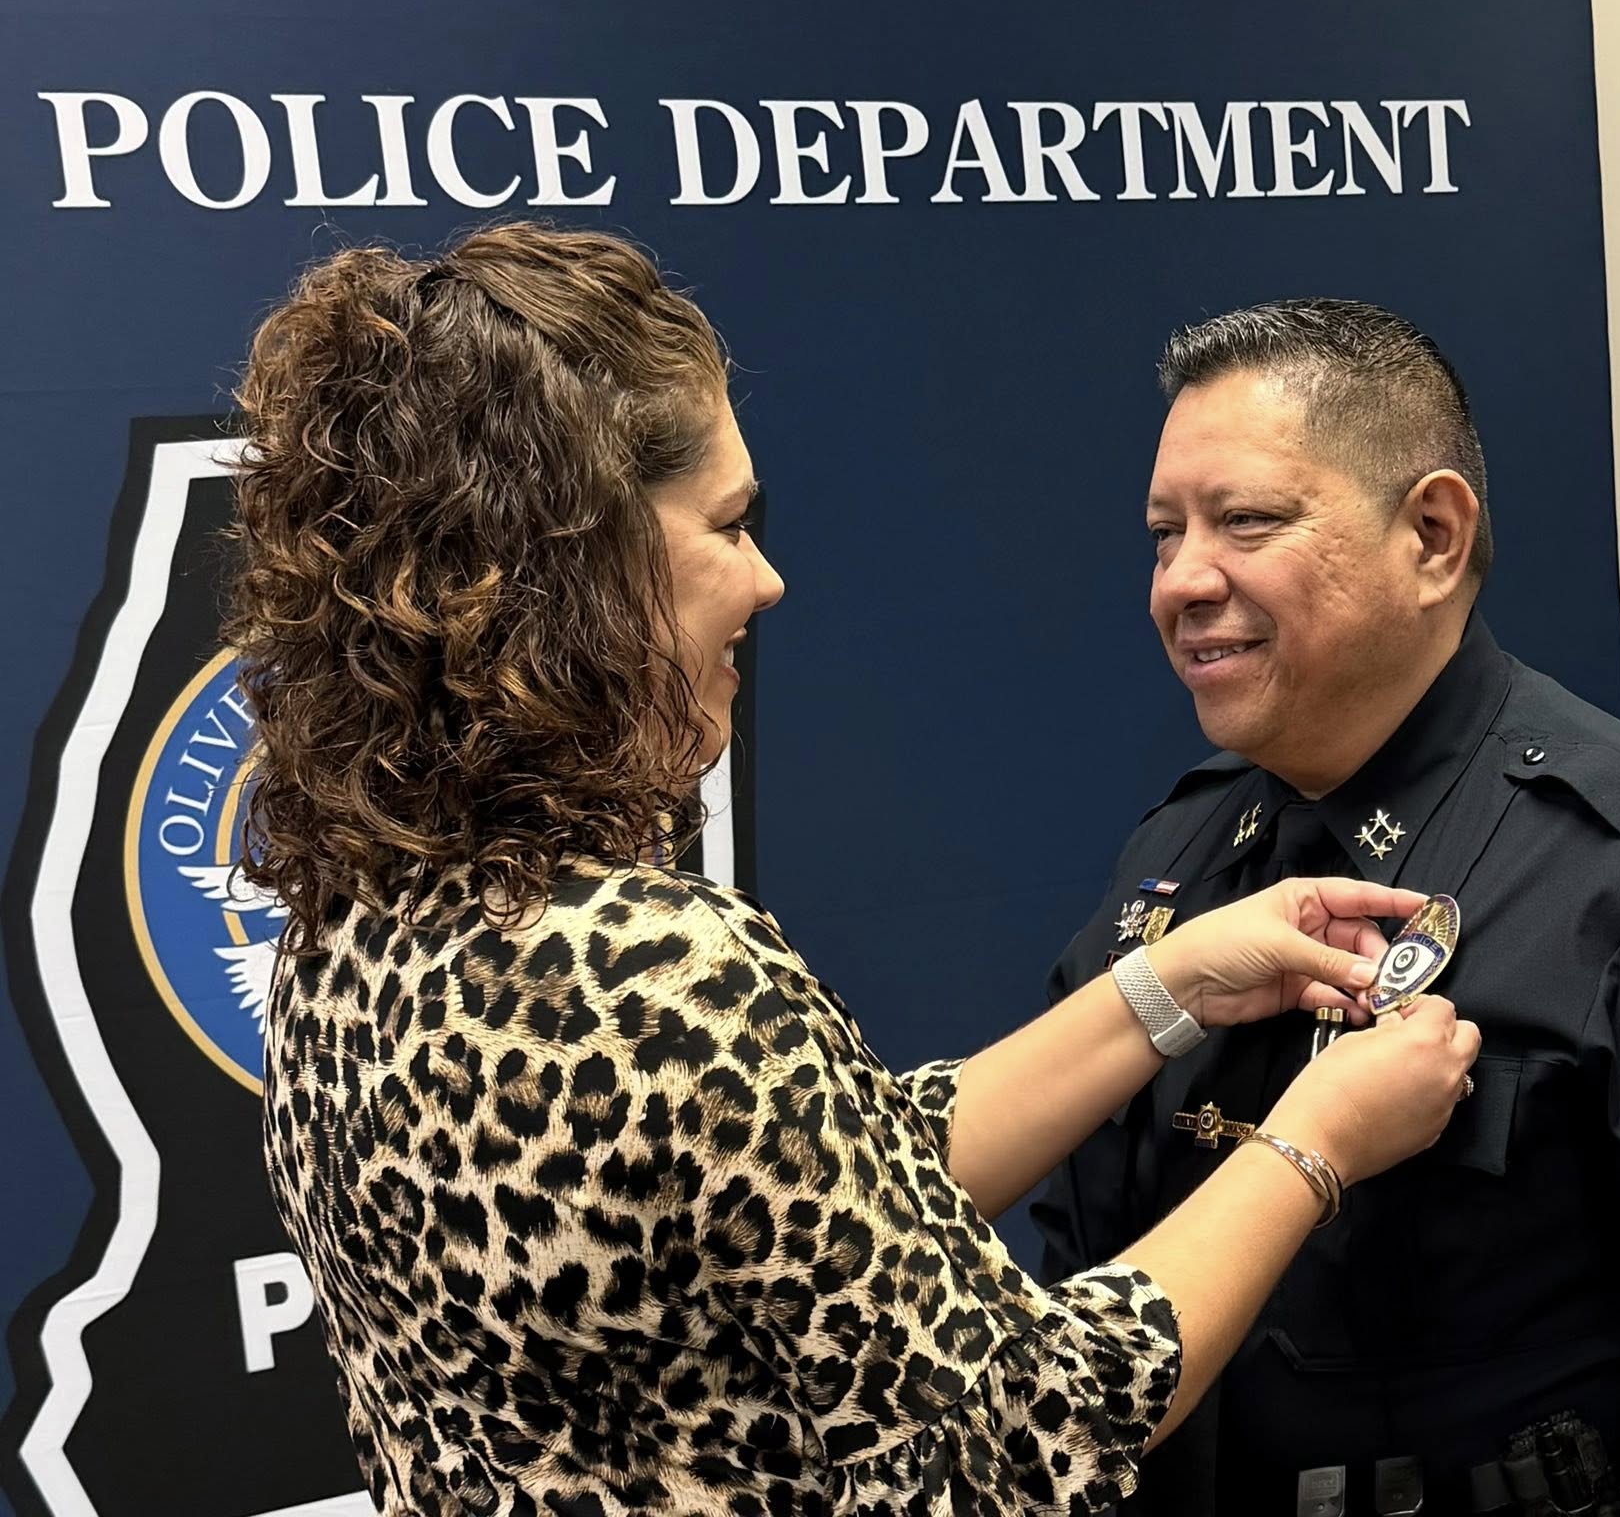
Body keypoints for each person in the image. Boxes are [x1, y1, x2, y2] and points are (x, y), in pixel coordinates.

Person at [229, 226, 1482, 1517]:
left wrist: (1163, 988)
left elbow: (825, 1186)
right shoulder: (658, 981)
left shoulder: (339, 945)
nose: (765, 582)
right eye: (727, 525)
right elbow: (1026, 1429)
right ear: (576, 561)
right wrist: (1315, 1138)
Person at [1032, 300, 1620, 1515]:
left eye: (1244, 521)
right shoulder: (1179, 857)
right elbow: (1072, 1267)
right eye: (1164, 534)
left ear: (1429, 534)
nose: (1181, 582)